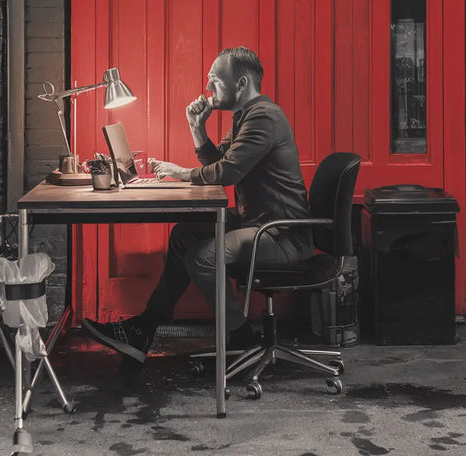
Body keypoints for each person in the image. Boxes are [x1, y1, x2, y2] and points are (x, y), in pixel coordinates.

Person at [82, 46, 314, 364]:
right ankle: (144, 330)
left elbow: (227, 173)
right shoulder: (246, 116)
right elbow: (220, 164)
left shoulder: (264, 118)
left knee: (204, 256)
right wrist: (196, 128)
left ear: (242, 83)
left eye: (215, 81)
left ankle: (241, 336)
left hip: (280, 234)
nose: (208, 89)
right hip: (257, 224)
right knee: (184, 235)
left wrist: (180, 172)